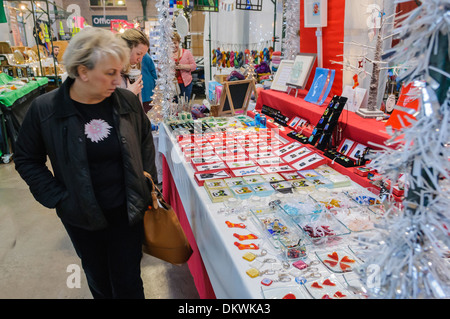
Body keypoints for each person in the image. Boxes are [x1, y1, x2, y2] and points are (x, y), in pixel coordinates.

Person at [14, 27, 157, 299]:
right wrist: (59, 197)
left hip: (128, 212)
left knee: (129, 281)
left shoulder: (125, 100)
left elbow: (144, 140)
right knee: (99, 280)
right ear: (82, 71)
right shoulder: (46, 109)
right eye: (110, 73)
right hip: (82, 217)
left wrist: (148, 183)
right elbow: (26, 158)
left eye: (119, 72)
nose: (118, 80)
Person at [118, 28, 149, 99]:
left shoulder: (132, 69)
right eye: (138, 54)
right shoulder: (114, 72)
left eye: (143, 56)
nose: (140, 60)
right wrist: (130, 94)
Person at [172, 32, 197, 102]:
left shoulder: (187, 53)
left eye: (175, 43)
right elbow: (160, 67)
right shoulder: (167, 55)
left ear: (178, 42)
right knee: (175, 105)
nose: (173, 45)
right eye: (171, 44)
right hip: (173, 85)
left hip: (186, 84)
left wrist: (183, 66)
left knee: (185, 104)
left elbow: (194, 66)